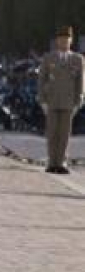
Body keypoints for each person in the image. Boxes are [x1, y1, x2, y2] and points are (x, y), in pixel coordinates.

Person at [37, 26, 85, 174]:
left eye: (67, 39)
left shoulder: (77, 59)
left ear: (71, 41)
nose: (64, 42)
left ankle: (62, 162)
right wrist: (42, 100)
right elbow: (41, 79)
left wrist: (80, 99)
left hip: (68, 101)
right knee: (52, 133)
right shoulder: (48, 58)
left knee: (65, 133)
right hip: (51, 100)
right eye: (61, 39)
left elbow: (81, 81)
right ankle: (52, 162)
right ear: (57, 41)